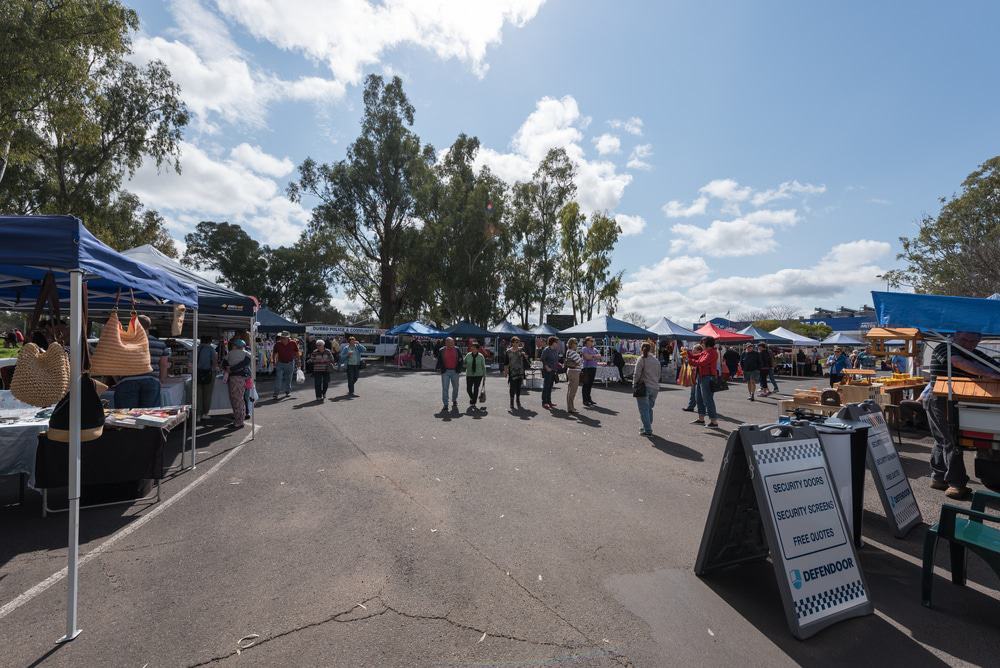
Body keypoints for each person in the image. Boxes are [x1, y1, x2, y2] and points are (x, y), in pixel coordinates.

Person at [923, 332, 1000, 499]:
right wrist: (991, 374)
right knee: (951, 441)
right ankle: (956, 485)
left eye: (974, 341)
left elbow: (994, 365)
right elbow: (958, 362)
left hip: (956, 400)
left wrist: (995, 370)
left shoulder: (974, 353)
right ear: (955, 336)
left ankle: (938, 478)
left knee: (942, 440)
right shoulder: (944, 347)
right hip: (940, 399)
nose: (969, 344)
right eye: (965, 339)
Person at [114, 314, 169, 408]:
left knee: (127, 416)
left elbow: (115, 362)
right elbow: (164, 365)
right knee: (150, 414)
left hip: (127, 381)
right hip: (151, 381)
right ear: (149, 326)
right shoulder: (160, 343)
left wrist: (118, 380)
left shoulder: (123, 342)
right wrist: (161, 380)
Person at [690, 336, 720, 428]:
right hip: (701, 377)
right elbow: (695, 356)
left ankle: (714, 422)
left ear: (707, 343)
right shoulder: (705, 352)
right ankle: (701, 419)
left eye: (702, 342)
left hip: (708, 377)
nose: (701, 344)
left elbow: (702, 362)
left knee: (707, 399)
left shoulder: (712, 352)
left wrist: (689, 360)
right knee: (699, 398)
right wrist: (686, 353)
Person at [632, 342, 661, 436]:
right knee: (649, 409)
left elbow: (637, 374)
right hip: (655, 387)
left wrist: (634, 384)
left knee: (644, 409)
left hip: (644, 387)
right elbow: (659, 375)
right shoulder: (656, 360)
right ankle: (646, 427)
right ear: (651, 349)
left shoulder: (641, 359)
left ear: (641, 349)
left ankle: (648, 430)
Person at [224, 339, 251, 429]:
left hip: (234, 378)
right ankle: (240, 419)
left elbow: (224, 363)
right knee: (240, 398)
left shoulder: (230, 353)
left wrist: (230, 369)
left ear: (235, 345)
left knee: (236, 399)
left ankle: (239, 421)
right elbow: (246, 363)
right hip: (244, 378)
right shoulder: (247, 354)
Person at [436, 336, 464, 411]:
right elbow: (439, 360)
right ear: (445, 343)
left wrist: (459, 368)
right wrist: (439, 368)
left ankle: (454, 400)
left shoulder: (457, 349)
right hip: (445, 371)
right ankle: (445, 404)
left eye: (452, 342)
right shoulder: (441, 350)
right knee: (445, 388)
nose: (451, 343)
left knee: (456, 387)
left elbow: (461, 359)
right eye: (448, 342)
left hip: (455, 371)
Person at [504, 336, 530, 411]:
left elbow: (527, 358)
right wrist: (505, 372)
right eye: (516, 342)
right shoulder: (508, 351)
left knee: (518, 387)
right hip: (512, 372)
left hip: (520, 371)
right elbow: (506, 363)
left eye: (518, 342)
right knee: (512, 387)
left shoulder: (521, 350)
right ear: (512, 343)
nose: (518, 343)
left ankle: (518, 399)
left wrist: (525, 355)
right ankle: (512, 401)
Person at [272, 331, 300, 400]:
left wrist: (298, 361)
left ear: (288, 338)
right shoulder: (277, 344)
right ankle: (276, 393)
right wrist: (274, 361)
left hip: (290, 363)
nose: (282, 339)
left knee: (289, 378)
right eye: (281, 338)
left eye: (284, 338)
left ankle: (287, 391)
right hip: (280, 363)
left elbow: (297, 352)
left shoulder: (293, 343)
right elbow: (274, 353)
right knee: (278, 378)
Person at [196, 335, 217, 419]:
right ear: (210, 341)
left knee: (198, 395)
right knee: (207, 395)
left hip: (197, 373)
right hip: (208, 373)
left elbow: (190, 362)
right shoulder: (211, 349)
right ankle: (205, 413)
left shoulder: (196, 348)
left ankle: (198, 414)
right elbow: (214, 362)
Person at [464, 342, 487, 410]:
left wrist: (484, 375)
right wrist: (464, 364)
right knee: (468, 389)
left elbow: (483, 366)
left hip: (478, 375)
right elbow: (464, 362)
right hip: (469, 374)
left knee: (476, 388)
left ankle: (473, 402)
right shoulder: (468, 355)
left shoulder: (481, 356)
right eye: (472, 347)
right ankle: (473, 398)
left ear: (477, 349)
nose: (472, 349)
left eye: (474, 348)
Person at [540, 336, 560, 409]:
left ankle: (549, 401)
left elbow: (555, 360)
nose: (557, 343)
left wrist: (559, 364)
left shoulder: (555, 350)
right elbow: (542, 359)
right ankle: (544, 402)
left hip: (553, 371)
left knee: (550, 386)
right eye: (556, 342)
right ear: (552, 342)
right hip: (547, 371)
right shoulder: (546, 350)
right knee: (546, 386)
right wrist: (547, 367)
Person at [580, 336, 601, 406]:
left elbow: (599, 357)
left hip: (593, 367)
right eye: (591, 340)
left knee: (590, 384)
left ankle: (589, 399)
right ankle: (585, 400)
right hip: (586, 368)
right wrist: (594, 356)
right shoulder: (584, 348)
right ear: (587, 342)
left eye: (592, 341)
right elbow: (586, 357)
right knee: (586, 384)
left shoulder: (594, 349)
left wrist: (592, 356)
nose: (592, 342)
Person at [564, 338, 583, 413]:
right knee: (572, 391)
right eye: (575, 343)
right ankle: (570, 408)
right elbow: (579, 362)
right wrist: (580, 358)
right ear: (571, 344)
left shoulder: (570, 351)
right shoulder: (572, 352)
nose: (577, 344)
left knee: (570, 390)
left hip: (572, 371)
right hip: (574, 372)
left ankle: (570, 407)